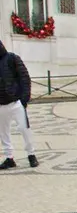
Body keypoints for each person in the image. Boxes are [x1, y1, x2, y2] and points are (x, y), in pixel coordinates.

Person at [0, 40, 38, 169]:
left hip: (16, 102)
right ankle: (9, 157)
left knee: (24, 128)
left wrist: (24, 99)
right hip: (1, 104)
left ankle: (31, 154)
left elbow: (24, 78)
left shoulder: (12, 58)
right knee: (3, 132)